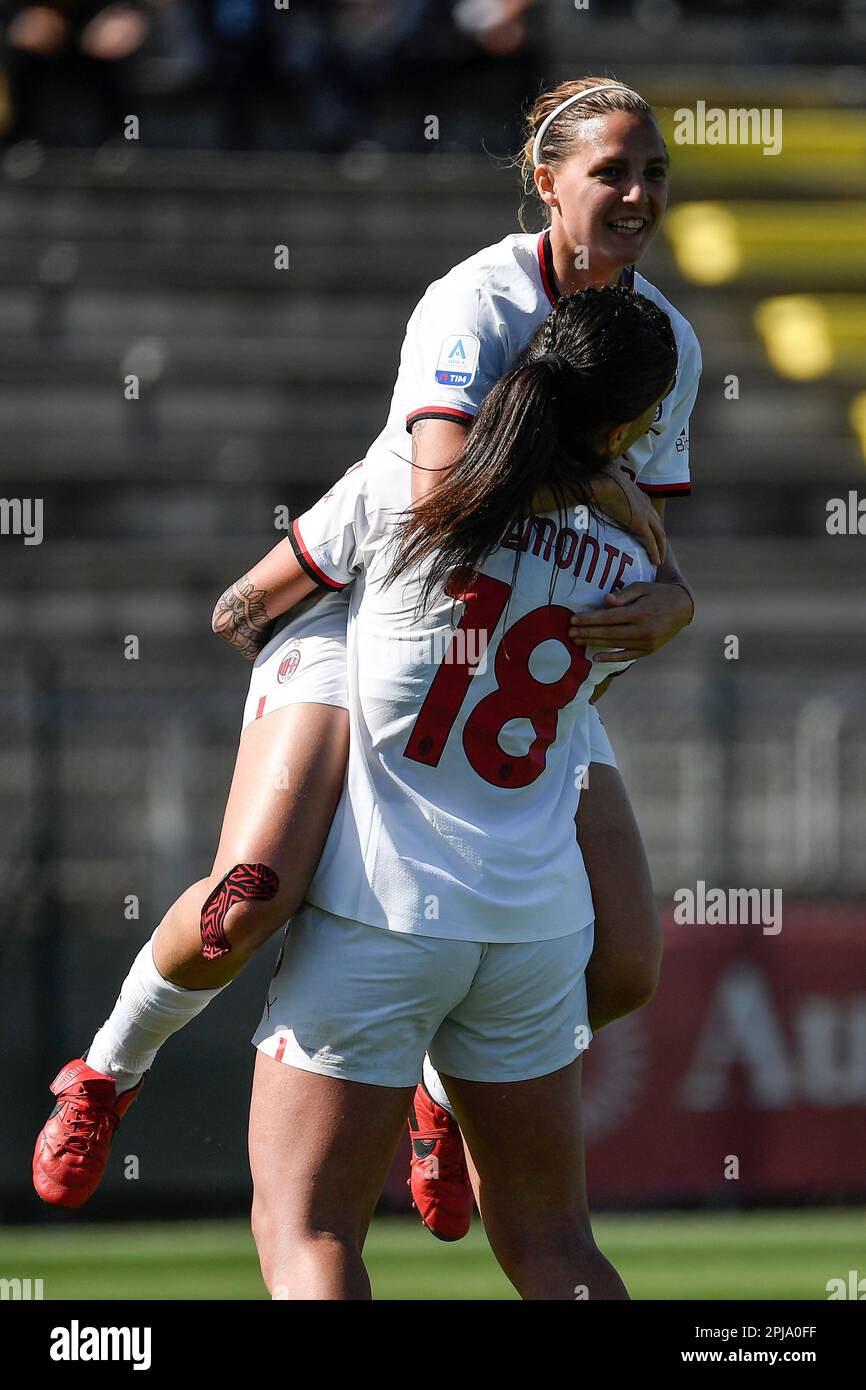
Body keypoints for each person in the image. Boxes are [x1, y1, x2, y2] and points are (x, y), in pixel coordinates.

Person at [32, 78, 699, 1224]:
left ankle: (441, 1080)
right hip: (376, 610)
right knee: (248, 901)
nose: (636, 194)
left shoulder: (665, 341)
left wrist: (672, 600)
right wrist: (590, 486)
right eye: (610, 172)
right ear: (546, 181)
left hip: (507, 633)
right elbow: (442, 491)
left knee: (627, 961)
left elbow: (642, 528)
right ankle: (104, 1070)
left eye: (653, 174)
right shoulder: (475, 299)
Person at [247, 284, 679, 1300]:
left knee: (308, 1230)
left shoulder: (406, 479)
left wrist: (316, 664)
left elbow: (246, 607)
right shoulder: (632, 560)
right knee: (555, 1248)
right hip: (532, 933)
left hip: (380, 913)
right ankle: (436, 1093)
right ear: (624, 427)